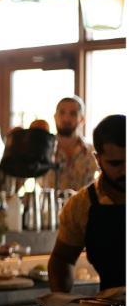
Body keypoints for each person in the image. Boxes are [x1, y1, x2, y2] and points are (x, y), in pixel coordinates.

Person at [48, 114, 125, 292]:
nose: (125, 170)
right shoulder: (81, 205)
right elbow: (62, 259)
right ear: (98, 160)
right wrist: (62, 303)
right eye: (116, 163)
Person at [42, 96, 98, 191]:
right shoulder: (43, 150)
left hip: (85, 205)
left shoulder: (93, 152)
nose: (66, 118)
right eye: (62, 112)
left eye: (73, 114)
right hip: (50, 205)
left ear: (82, 120)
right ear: (55, 117)